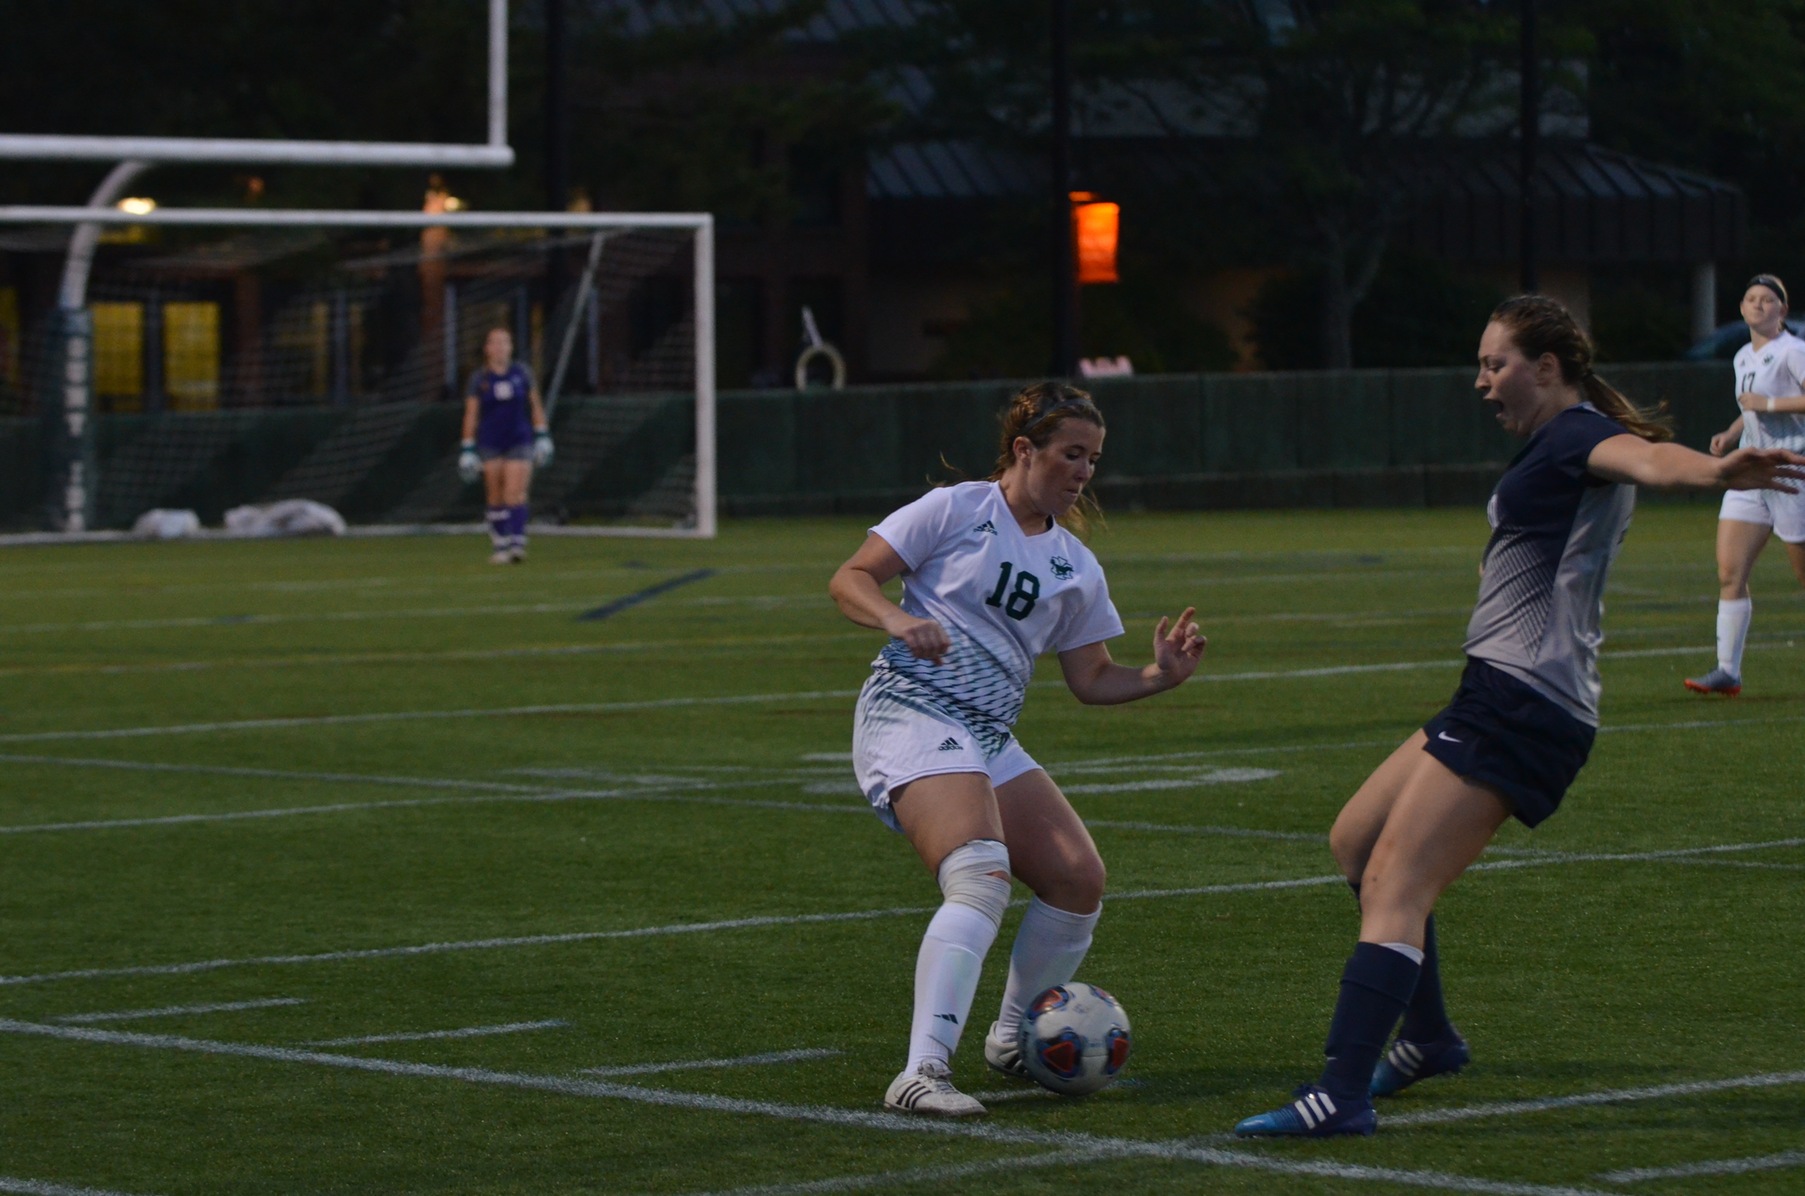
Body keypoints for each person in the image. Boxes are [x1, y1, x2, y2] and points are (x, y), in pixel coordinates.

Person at [1233, 295, 1805, 1139]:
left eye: (1494, 363)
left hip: (1526, 703)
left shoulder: (1577, 434)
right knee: (1354, 842)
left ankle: (1339, 1094)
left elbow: (1647, 461)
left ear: (1546, 368)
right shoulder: (1557, 440)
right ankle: (1427, 1039)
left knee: (1395, 882)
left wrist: (1715, 473)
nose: (1481, 381)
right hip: (1494, 690)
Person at [828, 381, 1208, 1117]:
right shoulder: (954, 509)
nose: (1082, 472)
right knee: (979, 877)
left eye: (1093, 460)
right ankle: (921, 1073)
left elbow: (1091, 679)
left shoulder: (1074, 565)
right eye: (1070, 454)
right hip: (911, 708)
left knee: (1076, 878)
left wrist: (1162, 674)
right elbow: (849, 578)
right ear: (1024, 449)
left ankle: (1009, 1039)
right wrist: (895, 622)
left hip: (986, 733)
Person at [1685, 273, 1805, 696]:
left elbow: (1768, 402)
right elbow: (1749, 405)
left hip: (1793, 471)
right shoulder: (1741, 357)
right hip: (1750, 474)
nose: (1758, 305)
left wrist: (1769, 404)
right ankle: (1726, 671)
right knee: (1729, 571)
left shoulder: (1794, 351)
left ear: (1782, 311)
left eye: (1768, 299)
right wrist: (1733, 433)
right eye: (1751, 298)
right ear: (1741, 309)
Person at [459, 327, 553, 564]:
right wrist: (467, 448)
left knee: (515, 491)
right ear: (487, 349)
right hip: (490, 441)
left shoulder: (522, 373)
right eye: (496, 343)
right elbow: (471, 414)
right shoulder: (479, 379)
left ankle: (517, 543)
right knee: (495, 494)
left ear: (511, 347)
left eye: (505, 342)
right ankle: (500, 544)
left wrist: (542, 435)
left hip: (519, 439)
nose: (501, 347)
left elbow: (535, 405)